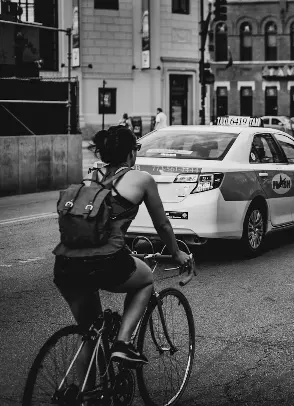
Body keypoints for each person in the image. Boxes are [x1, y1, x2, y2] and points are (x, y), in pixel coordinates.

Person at [53, 125, 192, 367]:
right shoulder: (141, 179)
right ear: (131, 153)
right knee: (146, 278)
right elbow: (163, 225)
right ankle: (123, 343)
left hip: (65, 263)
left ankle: (83, 395)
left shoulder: (89, 178)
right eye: (136, 148)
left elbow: (92, 228)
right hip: (105, 262)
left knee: (90, 335)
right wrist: (176, 252)